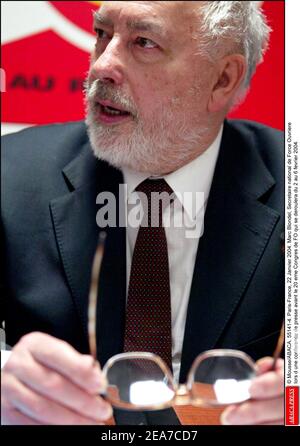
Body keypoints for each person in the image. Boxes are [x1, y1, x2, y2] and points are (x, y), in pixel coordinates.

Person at [1, 1, 284, 425]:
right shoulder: (10, 173)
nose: (102, 65)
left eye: (143, 43)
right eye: (101, 34)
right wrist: (7, 380)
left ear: (223, 79)